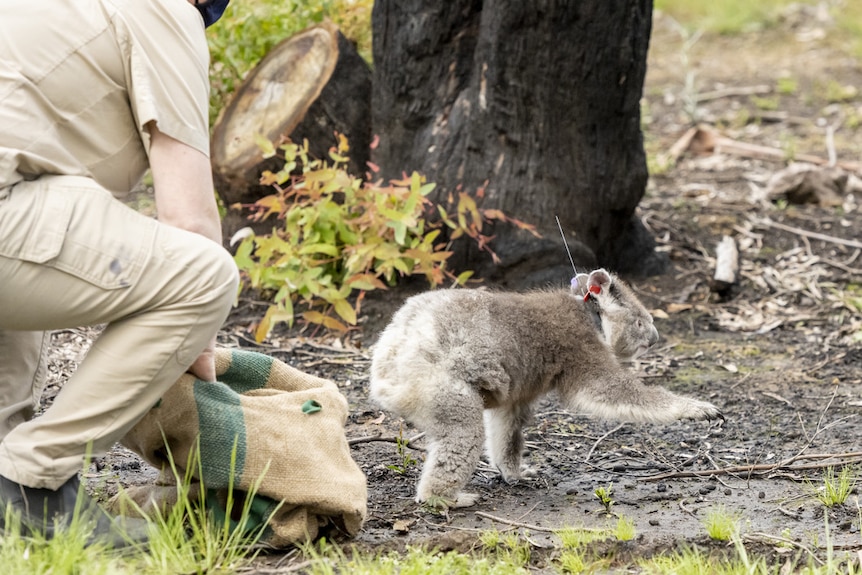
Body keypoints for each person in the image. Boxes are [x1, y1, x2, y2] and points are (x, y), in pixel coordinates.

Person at [0, 0, 238, 546]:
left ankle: (8, 497)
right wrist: (194, 346)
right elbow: (190, 220)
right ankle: (33, 481)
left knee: (40, 229)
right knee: (205, 276)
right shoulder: (166, 11)